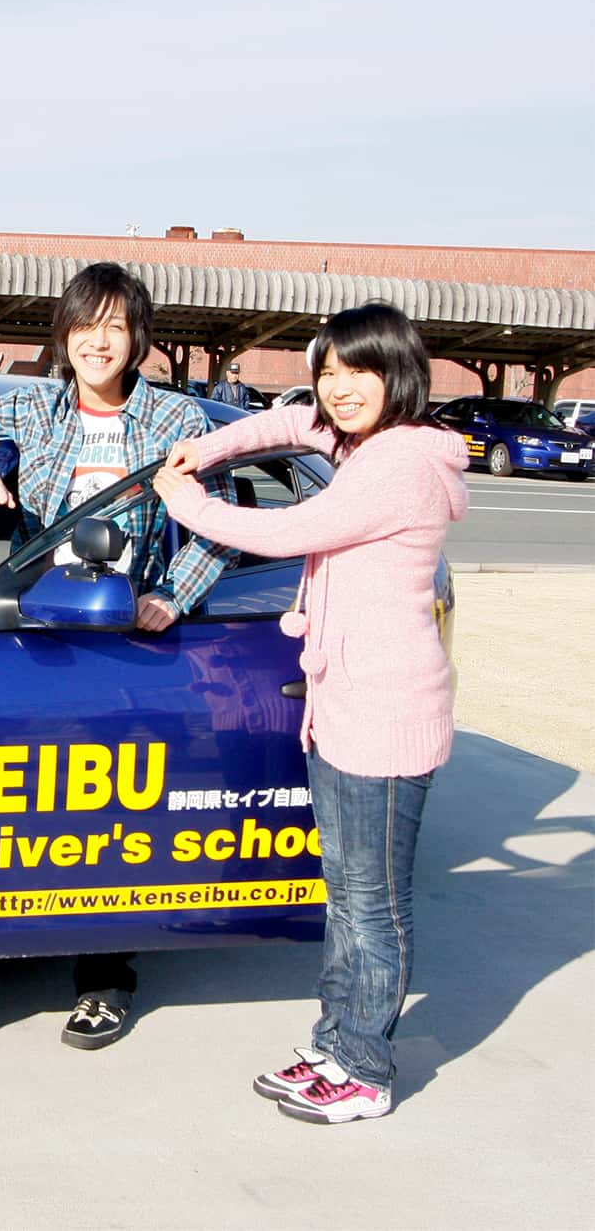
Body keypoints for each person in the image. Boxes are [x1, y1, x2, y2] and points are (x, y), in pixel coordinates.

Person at [0, 261, 235, 1052]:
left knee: (116, 811)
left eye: (116, 327)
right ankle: (16, 927)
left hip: (127, 638)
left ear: (138, 340)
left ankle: (105, 977)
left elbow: (218, 522)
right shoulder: (32, 405)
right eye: (86, 325)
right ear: (64, 334)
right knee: (40, 802)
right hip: (36, 633)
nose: (99, 342)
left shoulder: (172, 421)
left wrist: (174, 595)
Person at [152, 302, 468, 1123]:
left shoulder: (396, 462)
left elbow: (289, 531)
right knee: (346, 894)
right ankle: (335, 1041)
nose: (337, 388)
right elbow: (289, 423)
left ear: (396, 372)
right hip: (345, 707)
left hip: (384, 715)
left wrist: (178, 496)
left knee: (372, 903)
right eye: (327, 370)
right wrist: (211, 444)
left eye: (356, 370)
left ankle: (362, 1068)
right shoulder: (362, 443)